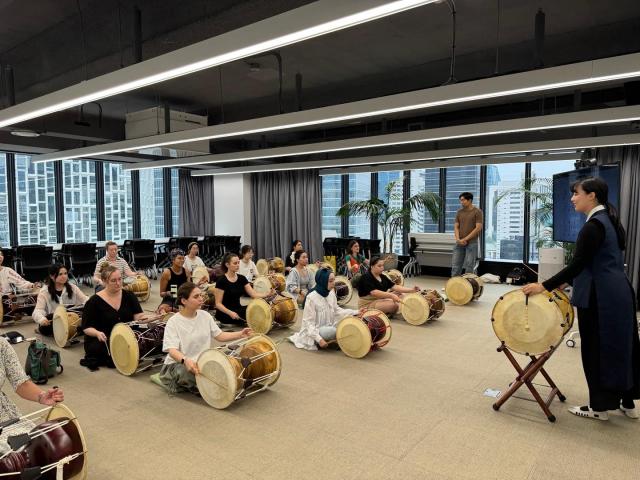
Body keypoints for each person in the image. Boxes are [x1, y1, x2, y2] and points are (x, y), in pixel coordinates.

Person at [523, 177, 639, 421]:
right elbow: (594, 263)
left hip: (600, 297)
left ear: (592, 195)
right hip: (620, 293)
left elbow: (578, 265)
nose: (572, 198)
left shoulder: (592, 226)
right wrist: (562, 284)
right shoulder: (610, 221)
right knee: (622, 347)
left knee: (596, 350)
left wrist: (543, 286)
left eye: (576, 193)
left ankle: (599, 407)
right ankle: (626, 403)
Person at [159, 282, 253, 394]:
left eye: (201, 295)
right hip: (177, 365)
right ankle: (210, 384)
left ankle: (213, 382)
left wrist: (240, 334)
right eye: (196, 296)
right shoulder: (173, 322)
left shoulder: (205, 315)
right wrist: (186, 360)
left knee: (232, 357)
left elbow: (219, 335)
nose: (201, 299)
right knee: (186, 372)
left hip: (202, 361)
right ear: (184, 301)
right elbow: (172, 350)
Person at [81, 264, 152, 370]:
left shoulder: (129, 295)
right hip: (104, 338)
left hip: (126, 334)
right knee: (116, 351)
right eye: (113, 281)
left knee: (148, 338)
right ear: (104, 282)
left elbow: (138, 316)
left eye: (120, 279)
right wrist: (97, 333)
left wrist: (148, 318)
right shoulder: (93, 302)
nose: (118, 283)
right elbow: (86, 327)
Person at [0, 337, 65, 452]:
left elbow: (20, 382)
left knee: (34, 448)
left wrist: (41, 396)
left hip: (4, 415)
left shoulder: (1, 344)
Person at [289, 268, 362, 350]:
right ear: (322, 281)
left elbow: (337, 310)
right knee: (332, 331)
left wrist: (356, 312)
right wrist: (319, 339)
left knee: (349, 320)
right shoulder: (311, 297)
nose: (333, 283)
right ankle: (324, 340)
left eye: (334, 280)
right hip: (316, 331)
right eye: (330, 281)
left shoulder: (331, 292)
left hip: (329, 324)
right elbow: (308, 323)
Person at [214, 252, 273, 325]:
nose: (238, 265)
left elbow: (253, 294)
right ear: (227, 265)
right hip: (225, 313)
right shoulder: (221, 281)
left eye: (238, 263)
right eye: (235, 263)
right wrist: (230, 313)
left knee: (262, 305)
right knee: (252, 315)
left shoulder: (242, 278)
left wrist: (267, 294)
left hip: (238, 309)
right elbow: (218, 304)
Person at [32, 264, 88, 336]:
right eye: (60, 274)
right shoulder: (44, 291)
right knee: (47, 324)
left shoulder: (73, 287)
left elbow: (85, 300)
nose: (64, 276)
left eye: (65, 273)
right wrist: (42, 319)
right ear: (52, 276)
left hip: (70, 319)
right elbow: (38, 310)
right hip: (54, 321)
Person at [451, 192, 483, 277]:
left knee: (469, 266)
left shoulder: (477, 212)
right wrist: (458, 239)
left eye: (463, 200)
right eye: (460, 200)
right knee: (455, 266)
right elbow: (456, 227)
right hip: (459, 243)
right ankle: (454, 285)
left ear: (470, 200)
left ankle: (468, 287)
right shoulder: (459, 212)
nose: (461, 202)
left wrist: (465, 239)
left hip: (472, 243)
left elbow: (478, 228)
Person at [158, 249, 191, 314]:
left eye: (183, 258)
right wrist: (168, 293)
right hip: (170, 299)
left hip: (182, 299)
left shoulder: (186, 271)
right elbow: (161, 294)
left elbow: (189, 289)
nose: (182, 260)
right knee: (162, 309)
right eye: (179, 258)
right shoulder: (167, 273)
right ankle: (176, 311)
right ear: (173, 260)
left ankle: (177, 311)